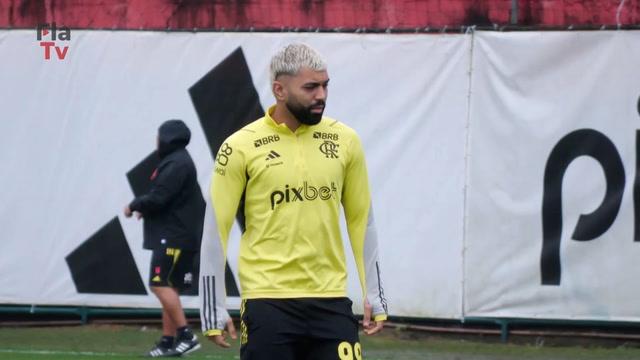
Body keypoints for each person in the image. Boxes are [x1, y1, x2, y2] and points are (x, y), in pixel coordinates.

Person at [199, 43, 388, 360]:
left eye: (325, 85)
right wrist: (212, 305)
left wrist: (375, 294)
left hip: (331, 300)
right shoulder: (240, 146)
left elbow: (362, 221)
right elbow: (215, 228)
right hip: (267, 301)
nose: (322, 95)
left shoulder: (346, 140)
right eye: (311, 87)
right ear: (279, 90)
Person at [124, 119, 205, 357]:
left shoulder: (176, 163)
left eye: (159, 136)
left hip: (172, 238)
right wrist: (146, 209)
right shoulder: (178, 161)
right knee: (169, 287)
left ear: (167, 138)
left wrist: (134, 205)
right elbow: (168, 198)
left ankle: (186, 335)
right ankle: (168, 341)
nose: (156, 141)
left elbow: (159, 197)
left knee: (158, 284)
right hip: (176, 236)